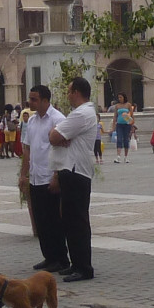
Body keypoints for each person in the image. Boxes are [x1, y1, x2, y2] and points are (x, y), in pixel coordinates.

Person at [48, 76, 99, 283]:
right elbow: (58, 136)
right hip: (71, 170)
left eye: (69, 91)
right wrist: (62, 137)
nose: (67, 95)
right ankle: (76, 263)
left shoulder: (82, 113)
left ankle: (84, 267)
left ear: (76, 92)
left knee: (77, 220)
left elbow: (52, 136)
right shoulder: (81, 113)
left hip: (78, 172)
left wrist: (61, 136)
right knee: (69, 219)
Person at [21, 83, 67, 273]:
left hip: (50, 176)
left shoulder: (57, 119)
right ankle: (48, 257)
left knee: (54, 220)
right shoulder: (31, 121)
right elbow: (27, 148)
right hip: (35, 177)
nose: (30, 102)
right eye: (30, 98)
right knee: (41, 220)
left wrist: (57, 175)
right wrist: (24, 174)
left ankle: (61, 258)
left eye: (34, 99)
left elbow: (62, 149)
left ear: (45, 100)